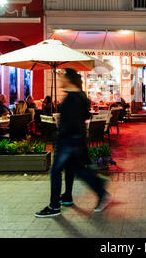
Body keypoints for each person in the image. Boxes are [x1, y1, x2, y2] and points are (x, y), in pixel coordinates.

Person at [35, 68, 111, 218]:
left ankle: (54, 206)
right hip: (74, 140)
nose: (60, 80)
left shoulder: (72, 99)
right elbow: (83, 117)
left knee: (56, 171)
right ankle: (96, 191)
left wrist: (60, 134)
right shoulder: (79, 97)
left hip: (67, 141)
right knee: (77, 170)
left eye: (62, 77)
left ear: (69, 79)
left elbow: (72, 123)